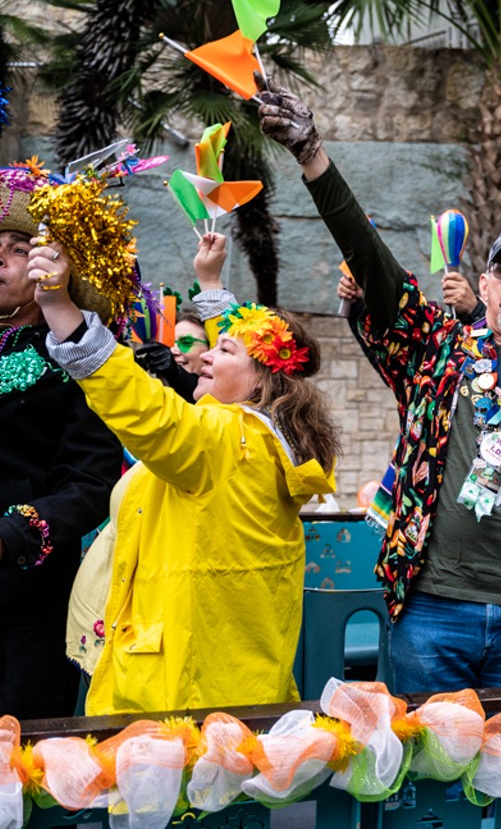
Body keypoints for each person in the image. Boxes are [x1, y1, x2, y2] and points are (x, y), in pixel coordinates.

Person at [257, 75, 501, 694]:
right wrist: (313, 155)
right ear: (483, 286)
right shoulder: (437, 344)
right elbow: (372, 259)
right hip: (433, 610)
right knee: (425, 778)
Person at [29, 231, 340, 715]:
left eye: (225, 350)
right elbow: (243, 356)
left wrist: (60, 309)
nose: (206, 355)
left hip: (175, 695)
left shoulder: (224, 438)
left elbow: (147, 412)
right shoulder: (262, 436)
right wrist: (211, 284)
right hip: (229, 678)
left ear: (262, 379)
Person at [0, 167, 120, 719]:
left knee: (16, 760)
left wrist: (13, 533)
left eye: (18, 247)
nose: (1, 259)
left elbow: (91, 482)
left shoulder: (75, 358)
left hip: (27, 596)